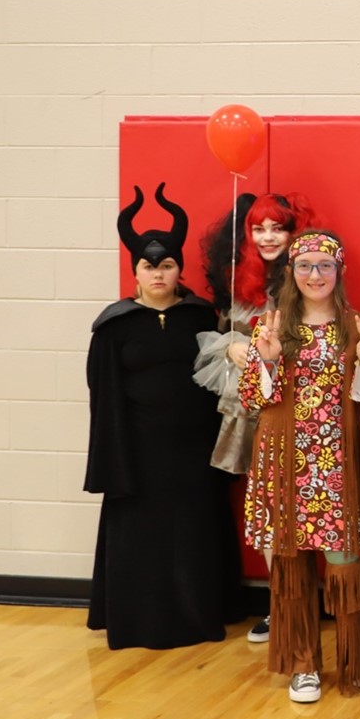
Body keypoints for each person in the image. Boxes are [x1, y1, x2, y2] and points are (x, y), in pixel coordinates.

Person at [85, 184, 242, 649]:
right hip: (137, 451)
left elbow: (221, 383)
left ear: (179, 269)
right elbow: (103, 397)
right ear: (136, 270)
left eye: (167, 265)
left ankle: (197, 616)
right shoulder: (114, 327)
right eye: (149, 266)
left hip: (195, 451)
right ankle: (139, 620)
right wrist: (113, 460)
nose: (158, 273)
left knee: (194, 533)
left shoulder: (200, 317)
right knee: (141, 537)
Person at [240, 230, 360, 703]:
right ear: (292, 272)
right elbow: (252, 399)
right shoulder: (272, 322)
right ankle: (304, 666)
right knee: (292, 563)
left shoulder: (356, 323)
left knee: (343, 562)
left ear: (338, 271)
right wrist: (266, 360)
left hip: (334, 460)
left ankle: (358, 660)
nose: (315, 275)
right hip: (282, 459)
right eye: (305, 266)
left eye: (324, 265)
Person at [194, 191, 314, 645]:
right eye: (258, 228)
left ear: (292, 232)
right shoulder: (235, 282)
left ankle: (300, 601)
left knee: (300, 507)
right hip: (249, 406)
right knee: (265, 508)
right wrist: (230, 346)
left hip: (296, 406)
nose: (267, 237)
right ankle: (279, 603)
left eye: (276, 227)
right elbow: (221, 333)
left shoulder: (310, 279)